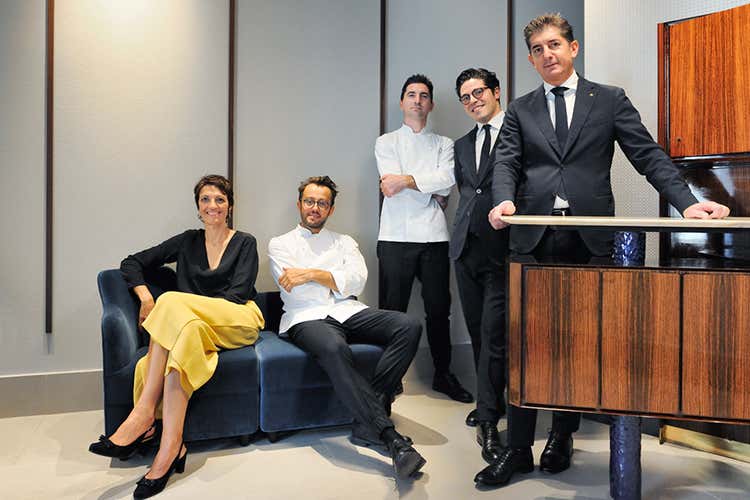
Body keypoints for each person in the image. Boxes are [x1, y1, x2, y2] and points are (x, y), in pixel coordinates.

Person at [478, 13, 730, 488]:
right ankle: (518, 449)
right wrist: (504, 200)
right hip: (532, 237)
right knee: (525, 344)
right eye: (538, 49)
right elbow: (506, 161)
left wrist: (688, 204)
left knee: (578, 343)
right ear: (531, 59)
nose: (547, 54)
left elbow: (647, 155)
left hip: (591, 239)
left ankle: (562, 437)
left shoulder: (609, 100)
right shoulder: (520, 109)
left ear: (573, 48)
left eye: (554, 44)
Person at [88, 175, 265, 498]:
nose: (212, 206)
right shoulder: (187, 241)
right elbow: (132, 263)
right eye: (205, 199)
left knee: (170, 303)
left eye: (220, 199)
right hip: (193, 325)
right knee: (176, 340)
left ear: (230, 206)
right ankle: (172, 447)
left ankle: (143, 414)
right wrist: (145, 297)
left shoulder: (245, 242)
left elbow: (236, 296)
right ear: (198, 206)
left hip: (238, 320)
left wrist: (177, 308)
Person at [268, 176, 426, 479]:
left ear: (331, 209)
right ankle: (389, 438)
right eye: (309, 201)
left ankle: (370, 415)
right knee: (334, 346)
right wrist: (332, 278)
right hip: (305, 317)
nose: (315, 208)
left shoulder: (345, 242)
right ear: (299, 204)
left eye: (322, 203)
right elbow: (296, 291)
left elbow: (357, 282)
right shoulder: (280, 243)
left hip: (347, 310)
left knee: (408, 325)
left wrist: (310, 274)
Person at [375, 74, 472, 404]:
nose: (417, 100)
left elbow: (446, 181)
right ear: (402, 102)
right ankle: (389, 378)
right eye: (411, 94)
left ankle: (443, 374)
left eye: (424, 96)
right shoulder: (386, 142)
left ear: (431, 104)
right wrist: (430, 188)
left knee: (439, 310)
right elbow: (390, 185)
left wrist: (407, 182)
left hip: (434, 236)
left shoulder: (445, 144)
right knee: (393, 312)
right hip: (394, 236)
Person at [451, 68, 510, 465]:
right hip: (465, 249)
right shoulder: (462, 144)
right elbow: (466, 191)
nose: (473, 101)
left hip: (503, 250)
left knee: (494, 333)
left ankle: (488, 416)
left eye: (479, 92)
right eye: (466, 97)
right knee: (476, 331)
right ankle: (491, 401)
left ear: (496, 92)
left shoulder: (517, 134)